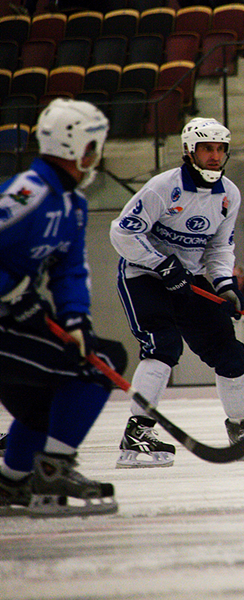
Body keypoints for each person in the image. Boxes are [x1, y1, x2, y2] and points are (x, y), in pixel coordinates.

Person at [109, 117, 244, 468]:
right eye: (207, 148)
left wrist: (225, 285)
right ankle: (137, 433)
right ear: (189, 151)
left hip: (188, 280)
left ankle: (240, 429)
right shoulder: (164, 187)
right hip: (144, 276)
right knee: (164, 345)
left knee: (230, 352)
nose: (215, 156)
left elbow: (220, 247)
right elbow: (123, 233)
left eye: (221, 149)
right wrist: (161, 264)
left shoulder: (228, 194)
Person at [0, 98, 127, 516]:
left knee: (47, 395)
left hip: (16, 321)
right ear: (79, 147)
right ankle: (52, 471)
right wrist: (12, 293)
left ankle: (11, 482)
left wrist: (75, 319)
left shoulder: (73, 204)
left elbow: (70, 270)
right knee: (104, 360)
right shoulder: (27, 193)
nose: (98, 153)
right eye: (96, 144)